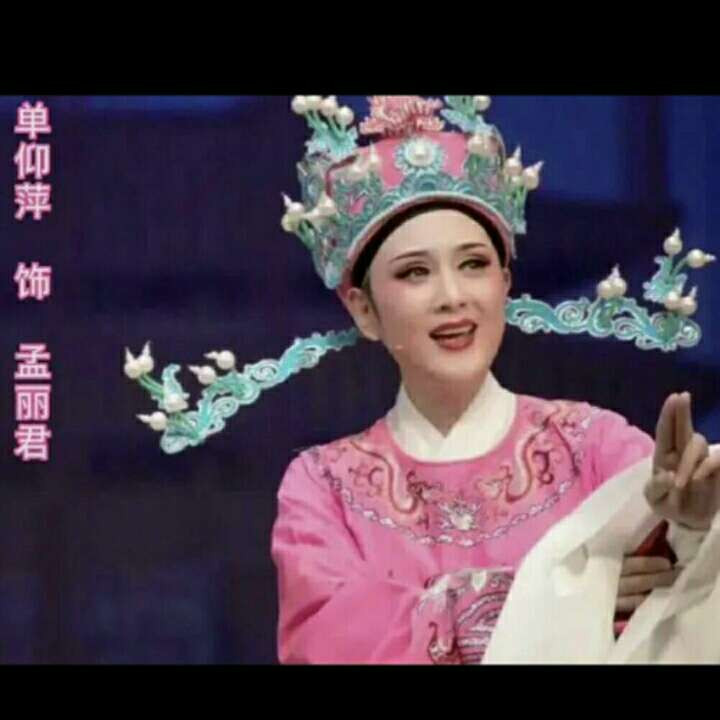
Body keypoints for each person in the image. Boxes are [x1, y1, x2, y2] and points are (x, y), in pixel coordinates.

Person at [270, 96, 720, 664]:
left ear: (504, 284)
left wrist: (694, 530)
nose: (452, 296)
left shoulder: (594, 448)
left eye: (474, 264)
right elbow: (328, 640)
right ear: (363, 310)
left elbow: (672, 612)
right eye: (414, 273)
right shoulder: (324, 488)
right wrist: (530, 599)